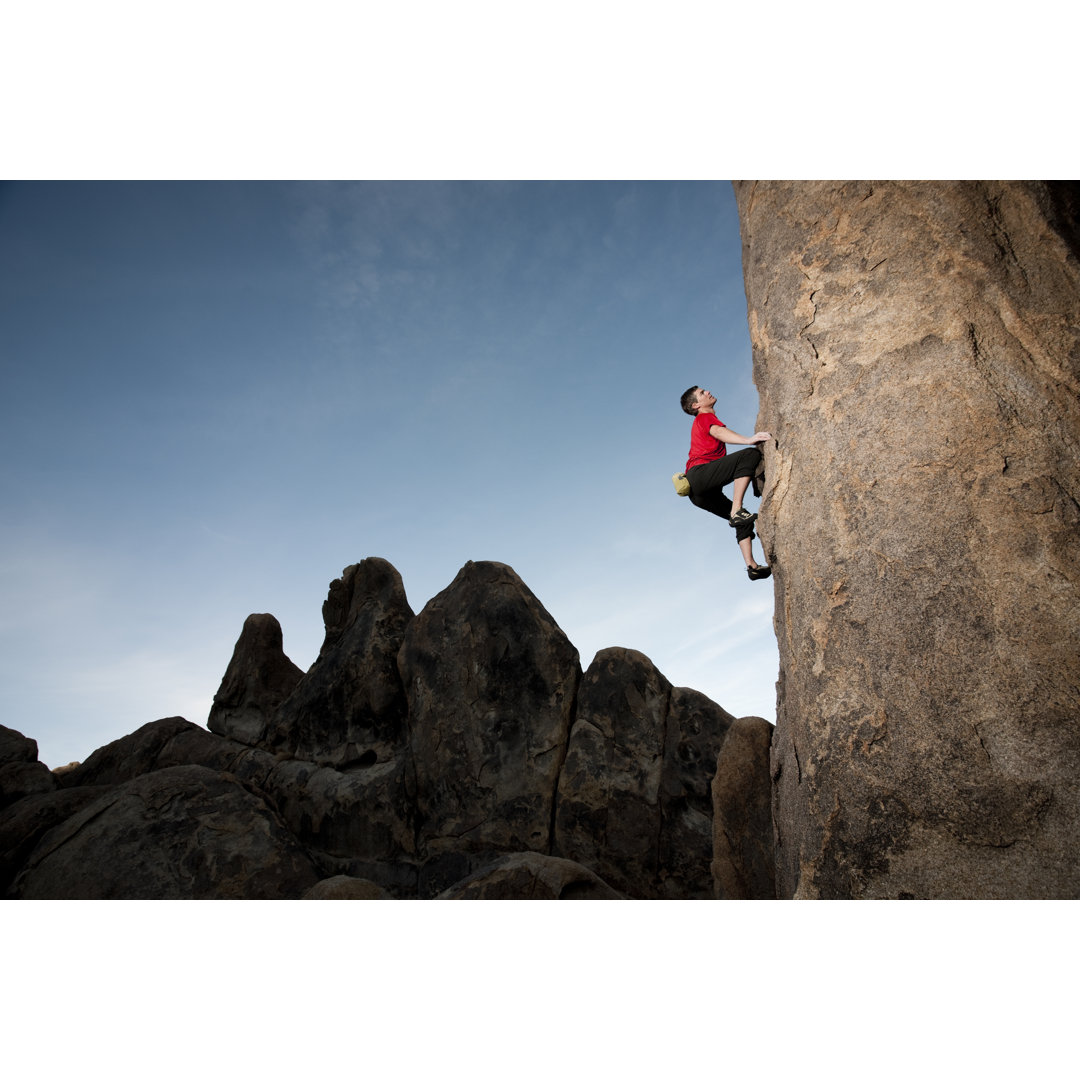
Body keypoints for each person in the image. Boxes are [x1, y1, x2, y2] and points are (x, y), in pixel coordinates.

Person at [680, 385, 773, 580]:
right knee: (749, 454)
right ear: (696, 405)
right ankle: (736, 508)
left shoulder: (702, 419)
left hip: (699, 494)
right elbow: (719, 433)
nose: (707, 391)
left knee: (742, 519)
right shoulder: (704, 417)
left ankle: (752, 566)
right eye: (702, 393)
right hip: (699, 475)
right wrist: (749, 440)